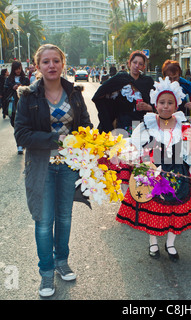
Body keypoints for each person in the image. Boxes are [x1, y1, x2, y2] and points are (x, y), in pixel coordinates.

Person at [14, 44, 93, 297]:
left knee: (65, 218)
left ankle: (61, 262)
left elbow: (86, 125)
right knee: (44, 222)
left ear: (63, 63)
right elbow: (22, 134)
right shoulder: (28, 96)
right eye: (46, 61)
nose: (51, 65)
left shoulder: (75, 93)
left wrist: (88, 140)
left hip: (69, 166)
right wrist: (57, 141)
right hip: (41, 167)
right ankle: (46, 274)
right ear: (38, 66)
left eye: (56, 61)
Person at [116, 77, 191, 261]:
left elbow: (190, 155)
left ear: (176, 105)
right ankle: (153, 243)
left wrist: (189, 143)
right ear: (155, 104)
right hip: (152, 172)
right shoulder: (146, 125)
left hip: (177, 173)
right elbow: (135, 149)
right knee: (152, 208)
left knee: (176, 209)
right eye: (162, 102)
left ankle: (170, 243)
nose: (165, 106)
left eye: (170, 103)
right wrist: (142, 162)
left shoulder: (184, 126)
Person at [92, 50, 154, 186]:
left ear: (144, 67)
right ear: (129, 63)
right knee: (125, 160)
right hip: (123, 124)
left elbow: (158, 103)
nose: (137, 66)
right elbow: (100, 95)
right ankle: (126, 191)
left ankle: (141, 188)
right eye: (135, 62)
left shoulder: (148, 82)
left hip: (142, 126)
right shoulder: (120, 79)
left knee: (141, 159)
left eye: (141, 64)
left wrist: (149, 107)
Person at [161, 59, 191, 182]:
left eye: (175, 77)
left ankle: (184, 189)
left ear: (179, 75)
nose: (172, 81)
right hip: (165, 130)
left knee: (183, 162)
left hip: (183, 130)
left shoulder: (188, 86)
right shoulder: (160, 87)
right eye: (169, 78)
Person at [4, 61, 30, 154]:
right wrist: (12, 87)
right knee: (15, 124)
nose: (18, 70)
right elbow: (5, 91)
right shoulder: (9, 79)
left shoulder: (25, 79)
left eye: (19, 68)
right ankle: (19, 143)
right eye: (16, 69)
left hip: (24, 104)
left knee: (23, 125)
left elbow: (30, 89)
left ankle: (21, 145)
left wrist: (22, 87)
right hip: (12, 104)